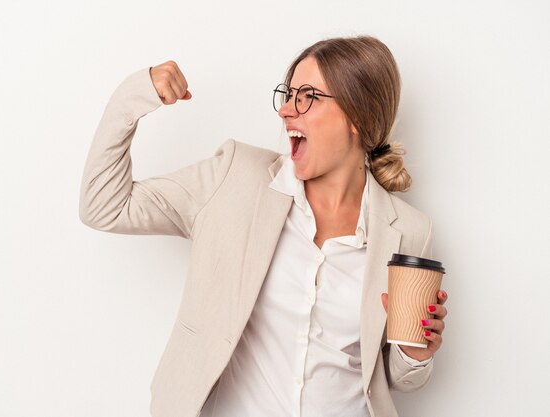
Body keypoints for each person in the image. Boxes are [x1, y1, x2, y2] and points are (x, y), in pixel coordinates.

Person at [79, 35, 448, 417]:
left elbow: (399, 379)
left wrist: (415, 354)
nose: (287, 110)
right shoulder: (234, 178)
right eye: (288, 94)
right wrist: (134, 96)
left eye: (308, 96)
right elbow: (104, 206)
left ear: (360, 118)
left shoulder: (407, 230)